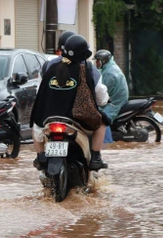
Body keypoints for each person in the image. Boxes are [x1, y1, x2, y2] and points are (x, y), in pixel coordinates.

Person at [31, 34, 110, 171]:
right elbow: (101, 96)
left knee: (35, 126)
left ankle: (40, 157)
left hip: (48, 117)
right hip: (76, 119)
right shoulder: (88, 69)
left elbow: (39, 93)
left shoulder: (49, 68)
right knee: (102, 122)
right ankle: (96, 158)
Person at [96, 50, 128, 143]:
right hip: (114, 98)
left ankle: (107, 142)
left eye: (98, 60)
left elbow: (103, 91)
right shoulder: (107, 68)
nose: (96, 63)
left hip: (115, 102)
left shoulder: (110, 73)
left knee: (102, 120)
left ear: (104, 61)